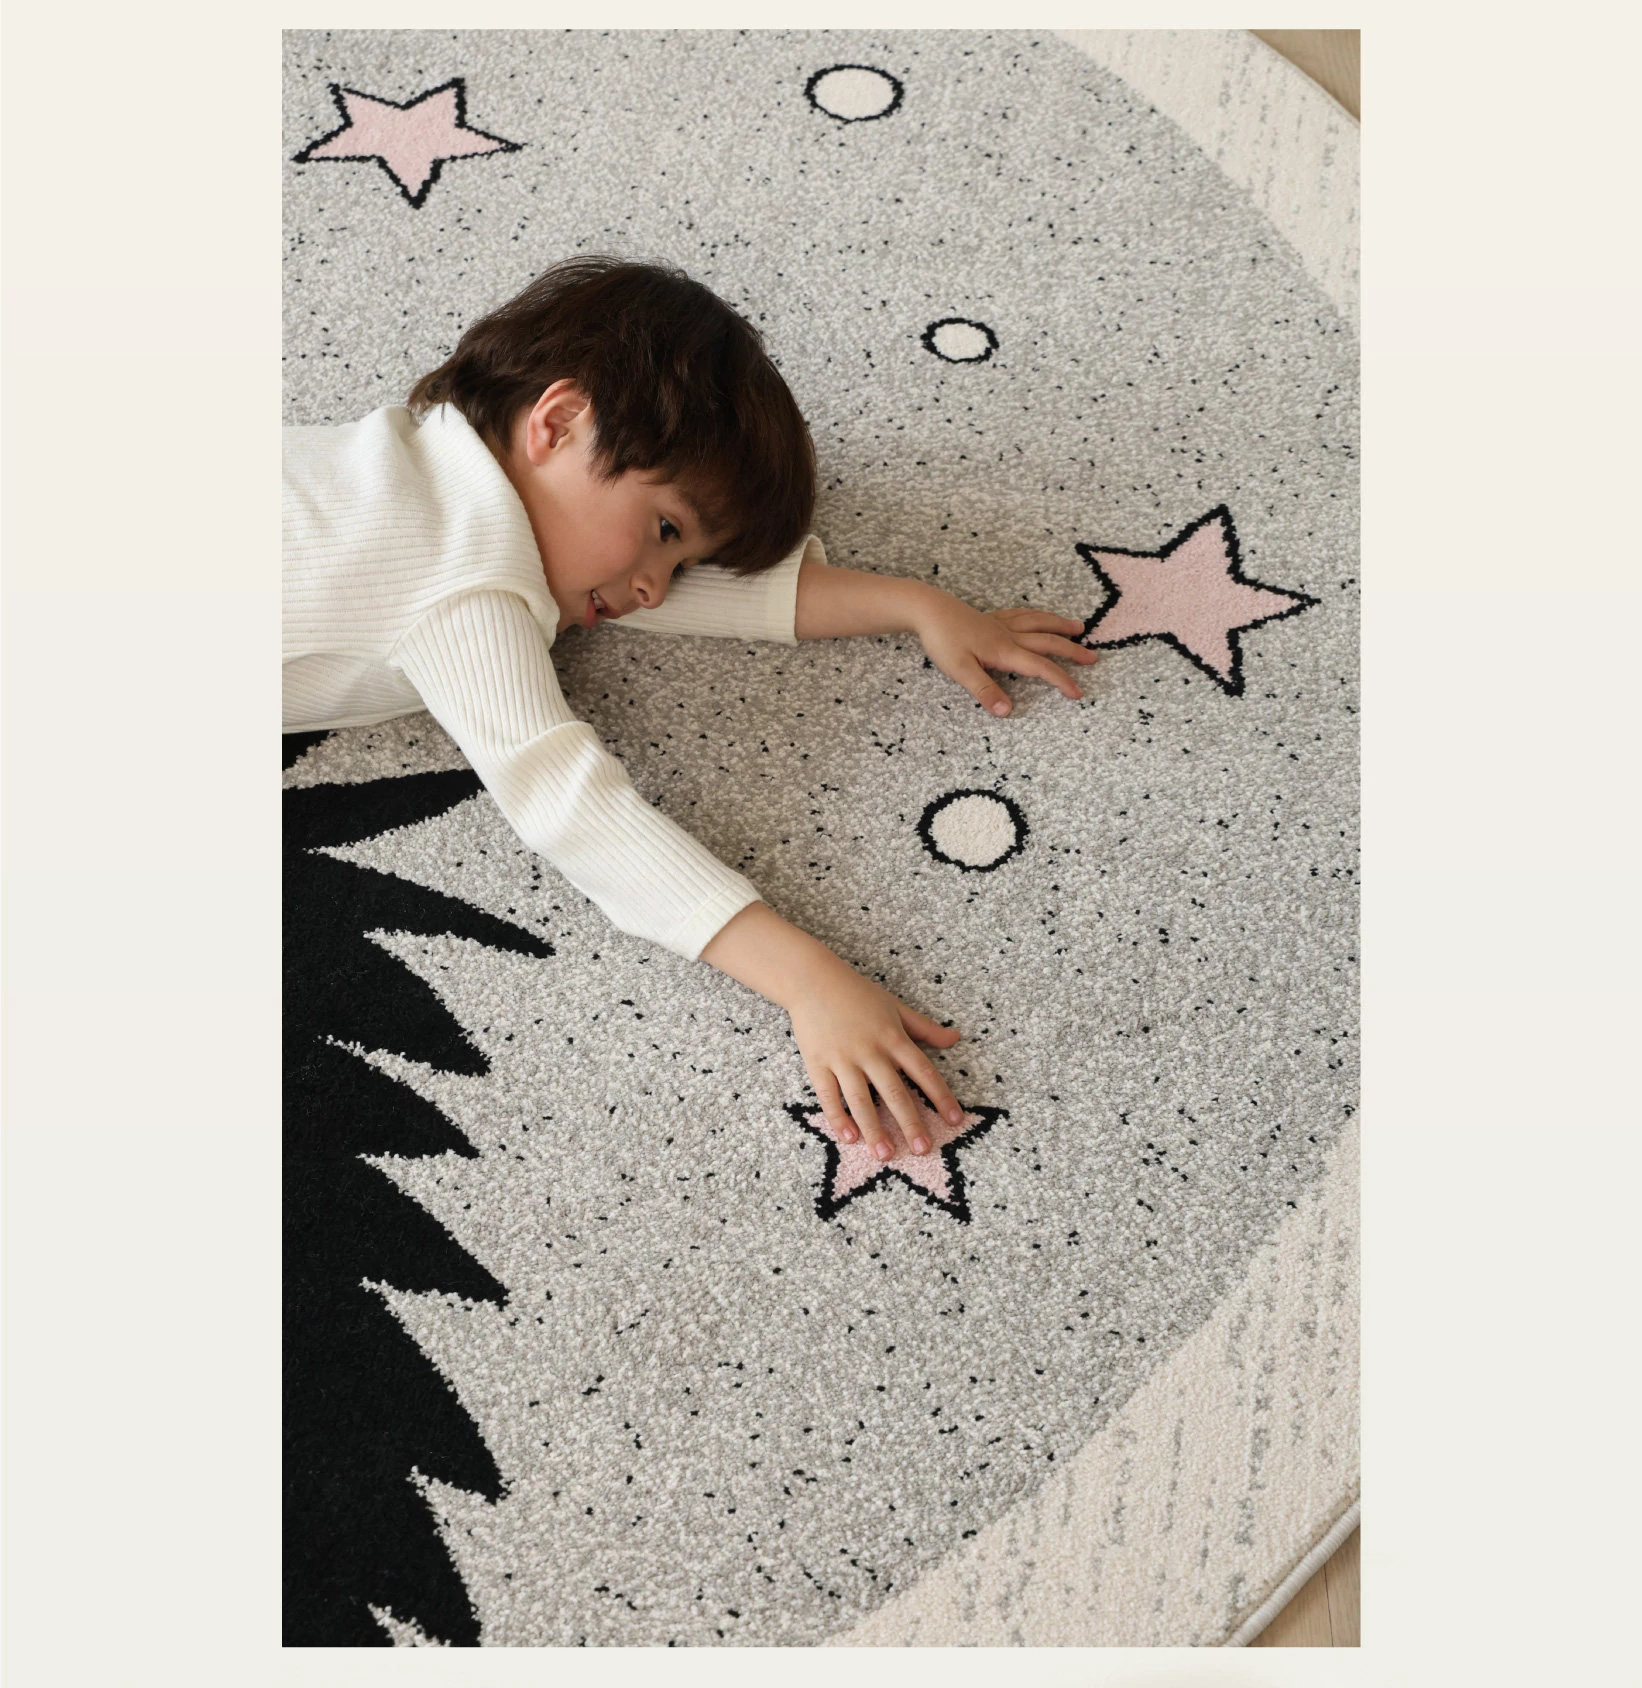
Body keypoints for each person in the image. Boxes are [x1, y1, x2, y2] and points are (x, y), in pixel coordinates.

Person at [283, 256, 1097, 1166]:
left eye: (679, 560)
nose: (654, 588)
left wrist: (914, 603)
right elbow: (568, 804)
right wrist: (807, 981)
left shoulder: (425, 463)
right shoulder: (462, 579)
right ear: (558, 423)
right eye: (665, 531)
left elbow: (646, 587)